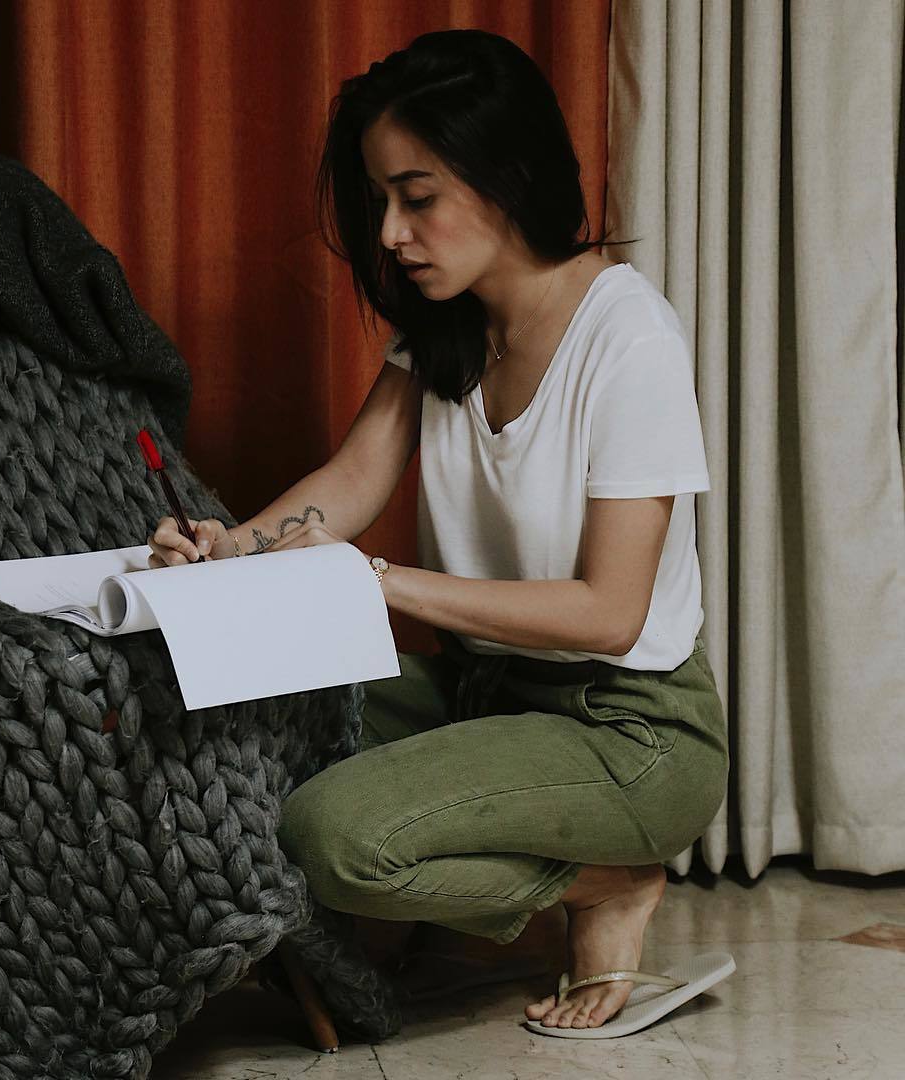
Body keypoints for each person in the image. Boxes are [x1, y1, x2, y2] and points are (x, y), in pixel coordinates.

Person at [147, 29, 731, 1037]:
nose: (390, 232)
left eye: (417, 197)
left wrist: (379, 583)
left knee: (334, 836)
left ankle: (610, 879)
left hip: (629, 729)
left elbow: (611, 611)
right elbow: (352, 480)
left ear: (506, 177)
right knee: (222, 717)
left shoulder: (628, 337)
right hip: (481, 692)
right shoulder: (448, 325)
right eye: (382, 199)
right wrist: (225, 551)